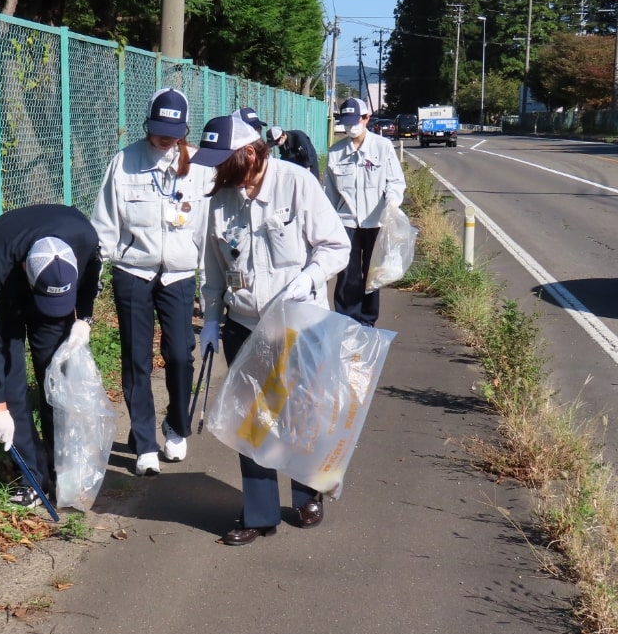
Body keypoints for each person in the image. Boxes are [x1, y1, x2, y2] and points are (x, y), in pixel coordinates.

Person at [193, 110, 351, 546]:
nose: (218, 172)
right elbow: (212, 270)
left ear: (249, 152)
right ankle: (259, 512)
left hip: (299, 321)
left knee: (301, 410)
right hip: (244, 324)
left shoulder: (296, 183)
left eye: (224, 161)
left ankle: (308, 493)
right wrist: (209, 321)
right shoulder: (221, 199)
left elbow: (336, 246)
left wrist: (310, 277)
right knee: (254, 420)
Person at [90, 88, 212, 476]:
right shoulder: (124, 163)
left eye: (173, 131)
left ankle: (175, 425)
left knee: (180, 354)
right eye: (159, 129)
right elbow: (105, 224)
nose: (165, 137)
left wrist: (210, 290)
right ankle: (143, 441)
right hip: (133, 272)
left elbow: (208, 232)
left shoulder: (200, 169)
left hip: (178, 275)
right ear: (148, 124)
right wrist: (93, 279)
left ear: (184, 130)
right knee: (136, 358)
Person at [0, 203, 103, 507]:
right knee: (11, 383)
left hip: (53, 285)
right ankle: (32, 476)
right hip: (7, 295)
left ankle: (63, 470)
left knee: (56, 380)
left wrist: (84, 318)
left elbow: (92, 275)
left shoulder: (84, 239)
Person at [324, 97, 405, 327]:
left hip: (376, 220)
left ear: (366, 118)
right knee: (347, 273)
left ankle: (368, 320)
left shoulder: (383, 147)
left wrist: (392, 202)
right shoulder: (335, 152)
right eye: (346, 122)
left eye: (354, 121)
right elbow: (329, 193)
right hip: (346, 221)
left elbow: (396, 181)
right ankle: (347, 320)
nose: (350, 126)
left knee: (373, 272)